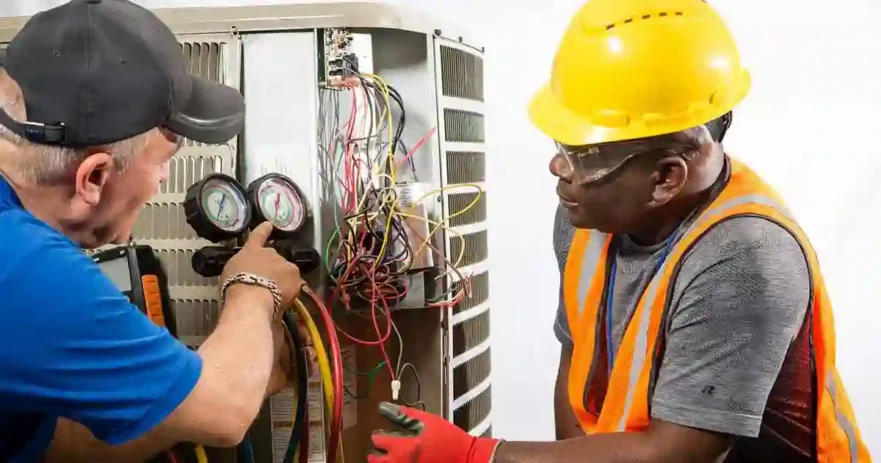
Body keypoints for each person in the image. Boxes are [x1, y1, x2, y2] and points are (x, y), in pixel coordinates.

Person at [368, 0, 871, 462]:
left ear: (665, 177)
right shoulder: (586, 216)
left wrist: (476, 455)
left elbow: (676, 452)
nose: (557, 168)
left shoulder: (746, 259)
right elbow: (578, 375)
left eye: (583, 156)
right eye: (562, 145)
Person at [0, 0, 304, 461]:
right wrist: (254, 288)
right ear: (94, 178)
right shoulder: (24, 269)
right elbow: (225, 413)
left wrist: (253, 375)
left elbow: (48, 442)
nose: (163, 181)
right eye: (164, 163)